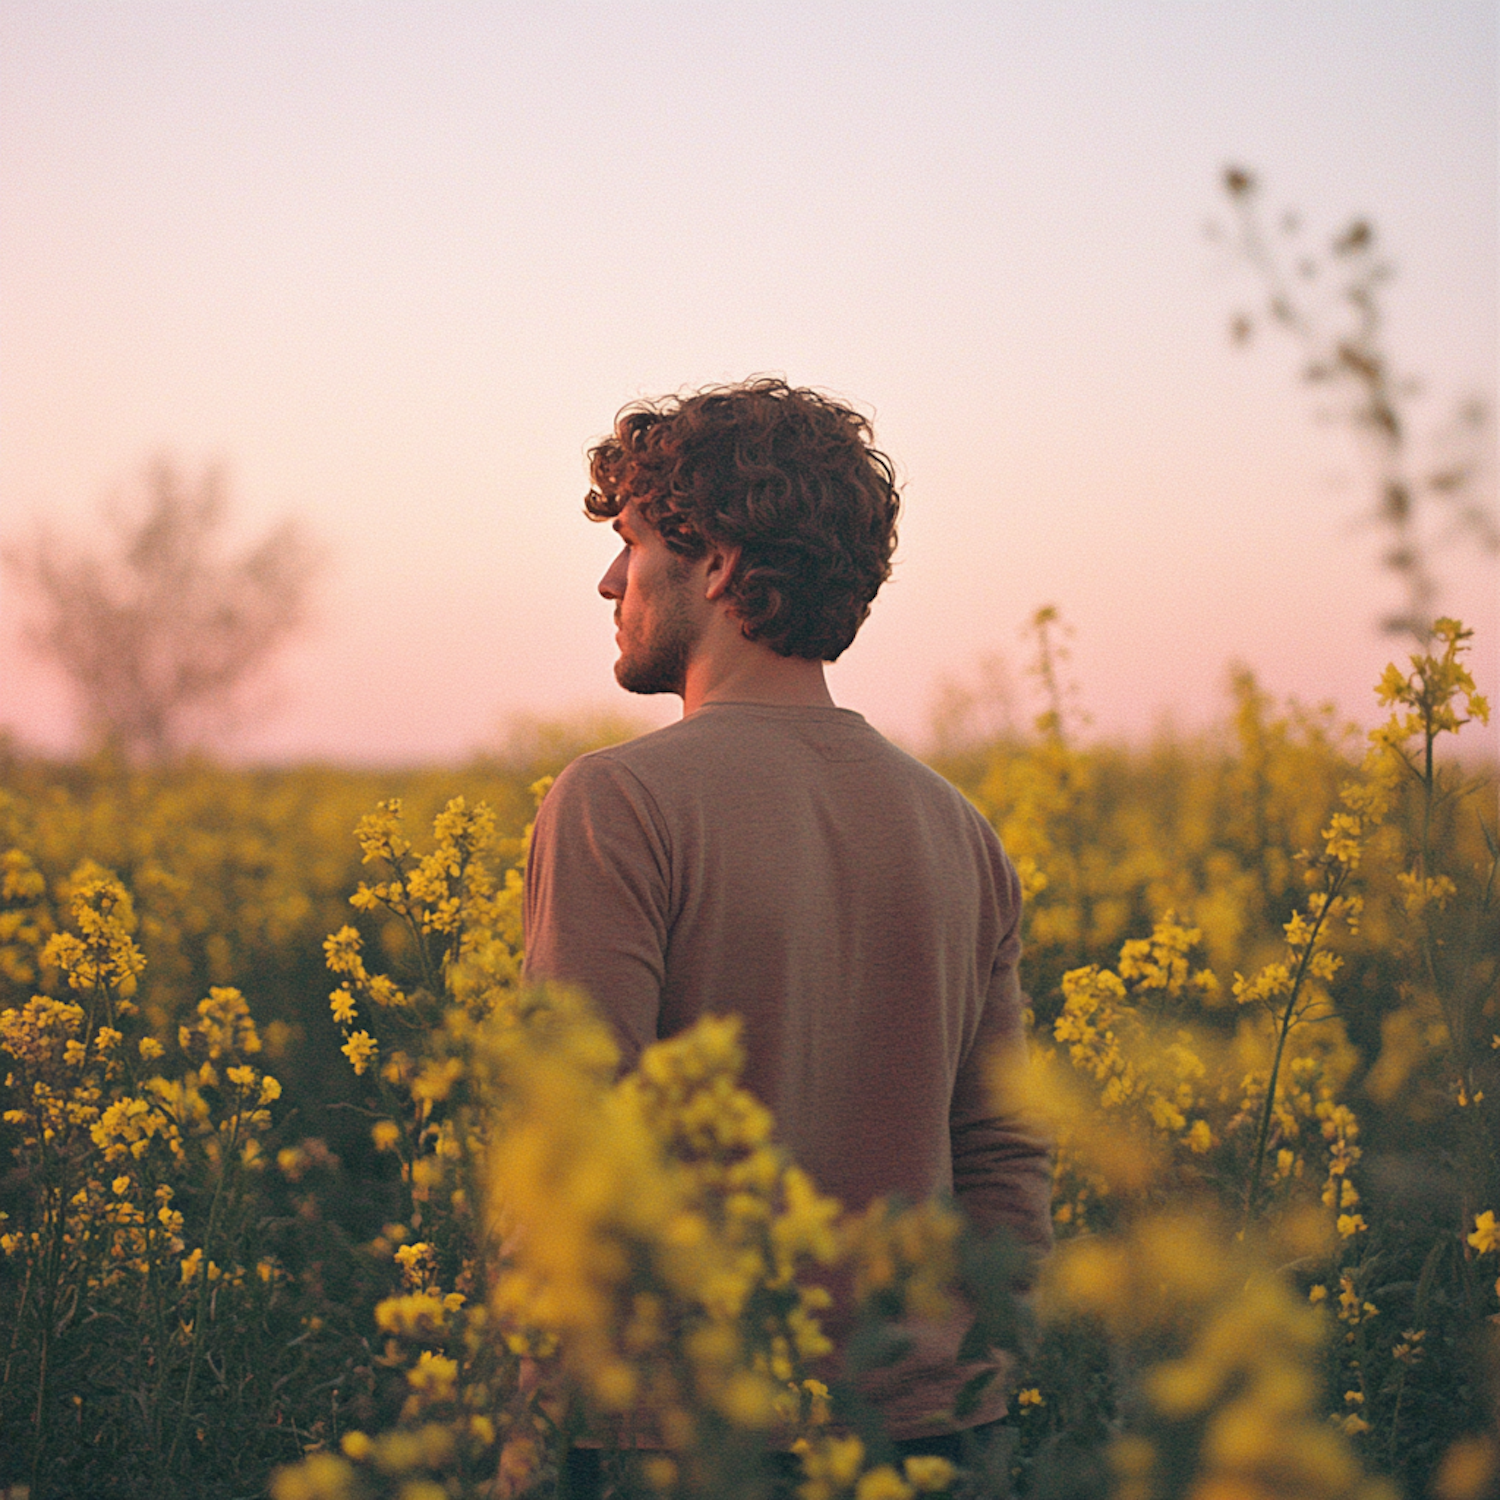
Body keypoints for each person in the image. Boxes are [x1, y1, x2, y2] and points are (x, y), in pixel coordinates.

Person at [523, 377, 1052, 1464]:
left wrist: (529, 1442)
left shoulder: (616, 804)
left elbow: (573, 1155)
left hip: (689, 1440)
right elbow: (1003, 1156)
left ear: (716, 563)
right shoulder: (960, 830)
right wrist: (972, 1388)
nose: (610, 580)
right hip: (933, 1435)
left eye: (631, 544)